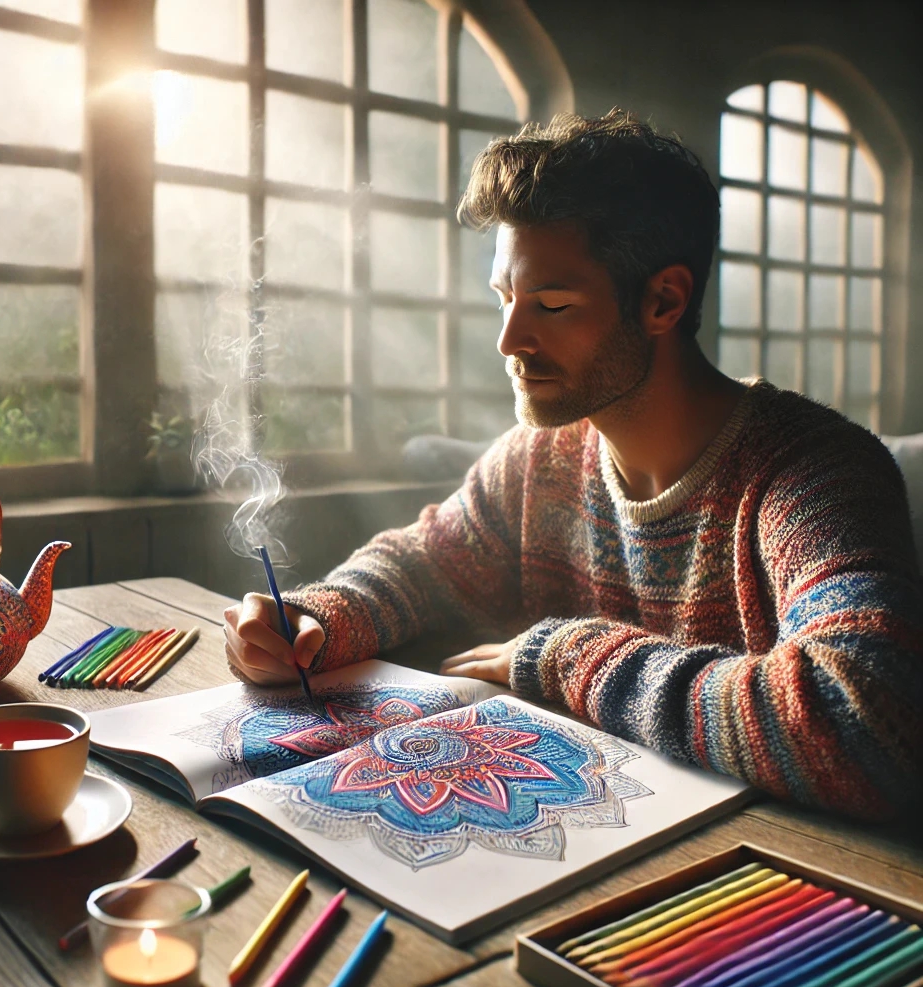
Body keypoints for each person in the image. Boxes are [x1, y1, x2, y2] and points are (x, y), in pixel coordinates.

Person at [224, 111, 922, 820]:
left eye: (552, 305)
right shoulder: (540, 459)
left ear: (663, 300)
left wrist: (570, 659)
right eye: (504, 298)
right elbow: (423, 563)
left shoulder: (814, 475)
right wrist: (315, 619)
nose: (509, 340)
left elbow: (869, 718)